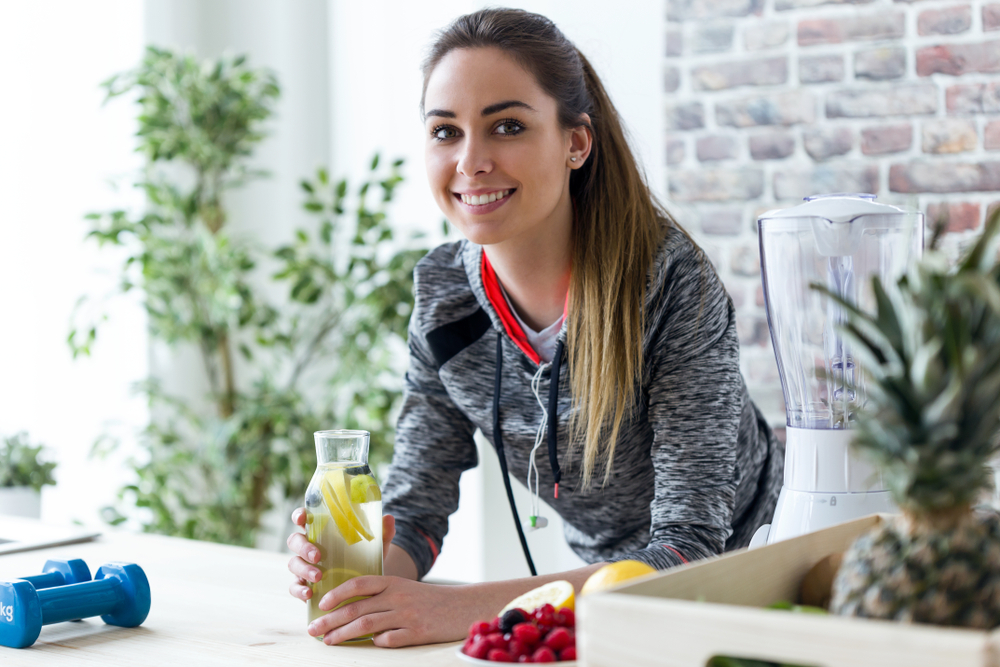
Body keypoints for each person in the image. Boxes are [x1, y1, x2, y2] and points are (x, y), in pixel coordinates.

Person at [286, 7, 783, 648]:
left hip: (755, 579)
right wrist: (360, 568)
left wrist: (460, 609)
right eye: (445, 132)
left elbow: (691, 550)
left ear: (576, 142)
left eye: (508, 126)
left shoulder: (669, 282)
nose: (471, 161)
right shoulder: (443, 294)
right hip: (602, 602)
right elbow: (415, 511)